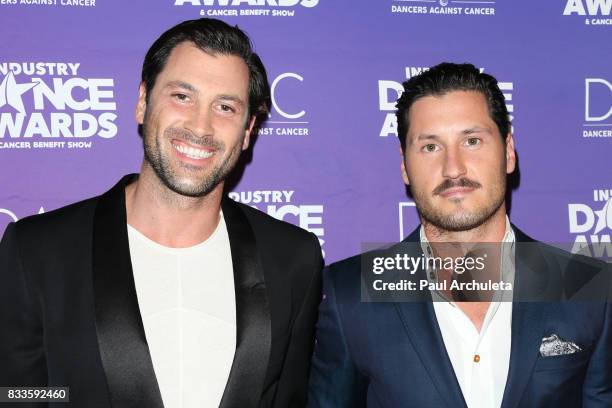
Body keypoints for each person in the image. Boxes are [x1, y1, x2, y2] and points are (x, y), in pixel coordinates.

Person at [0, 18, 323, 408]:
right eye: (182, 97)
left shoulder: (292, 257)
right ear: (142, 101)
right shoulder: (38, 250)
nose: (199, 127)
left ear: (248, 129)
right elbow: (18, 395)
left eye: (225, 106)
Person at [308, 63, 611, 407]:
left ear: (508, 151)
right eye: (430, 147)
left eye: (472, 140)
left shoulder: (587, 288)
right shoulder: (350, 292)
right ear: (405, 166)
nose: (454, 168)